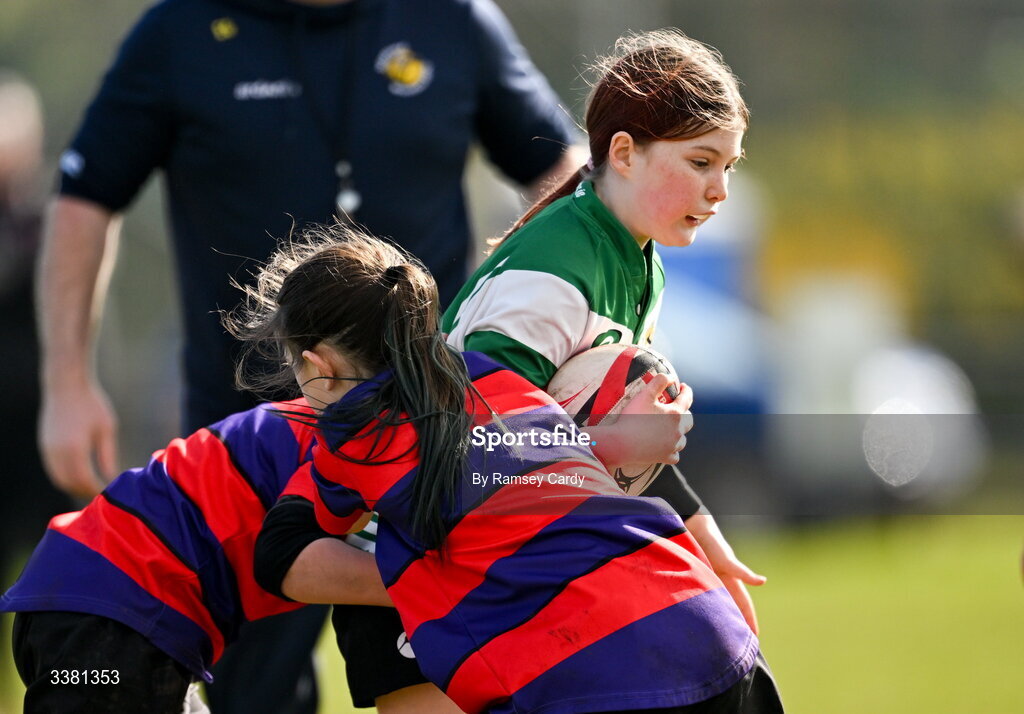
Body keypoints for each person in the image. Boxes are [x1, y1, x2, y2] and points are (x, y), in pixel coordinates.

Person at [36, 0, 578, 709]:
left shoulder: (452, 18)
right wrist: (68, 381)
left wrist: (552, 335)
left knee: (460, 677)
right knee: (251, 692)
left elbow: (562, 178)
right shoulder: (181, 29)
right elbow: (84, 197)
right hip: (247, 447)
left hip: (428, 435)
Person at [241, 223, 783, 713]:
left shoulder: (357, 439)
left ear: (320, 367)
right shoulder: (494, 377)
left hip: (597, 675)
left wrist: (428, 578)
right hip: (708, 624)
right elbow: (529, 461)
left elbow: (278, 554)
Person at [442, 29, 767, 633]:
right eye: (701, 162)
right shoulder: (555, 270)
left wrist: (710, 548)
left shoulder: (640, 260)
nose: (720, 190)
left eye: (728, 166)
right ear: (623, 153)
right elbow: (466, 447)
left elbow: (618, 431)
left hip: (499, 552)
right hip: (426, 555)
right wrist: (608, 448)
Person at [1, 397, 395, 713]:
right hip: (115, 626)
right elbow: (290, 564)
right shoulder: (363, 437)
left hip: (79, 607)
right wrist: (432, 583)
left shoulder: (326, 418)